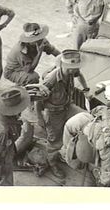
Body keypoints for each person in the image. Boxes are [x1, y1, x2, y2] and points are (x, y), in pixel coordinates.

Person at [38, 49, 91, 179]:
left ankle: (67, 152)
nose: (73, 70)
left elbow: (80, 75)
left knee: (85, 119)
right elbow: (38, 98)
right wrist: (40, 118)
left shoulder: (72, 70)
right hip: (54, 112)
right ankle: (52, 162)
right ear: (62, 65)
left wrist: (86, 90)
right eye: (70, 68)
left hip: (68, 107)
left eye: (75, 68)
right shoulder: (51, 79)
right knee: (54, 139)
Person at [0, 85, 30, 186]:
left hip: (8, 148)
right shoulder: (2, 131)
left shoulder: (4, 112)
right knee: (3, 181)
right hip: (3, 157)